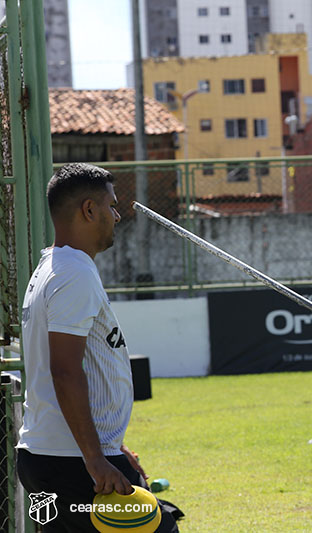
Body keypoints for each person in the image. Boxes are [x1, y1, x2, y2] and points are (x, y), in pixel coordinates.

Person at [16, 163, 178, 532]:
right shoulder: (74, 273)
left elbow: (84, 365)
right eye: (112, 205)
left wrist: (109, 445)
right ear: (89, 210)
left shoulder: (53, 266)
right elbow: (65, 371)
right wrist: (95, 457)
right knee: (161, 527)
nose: (118, 215)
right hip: (73, 463)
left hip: (55, 456)